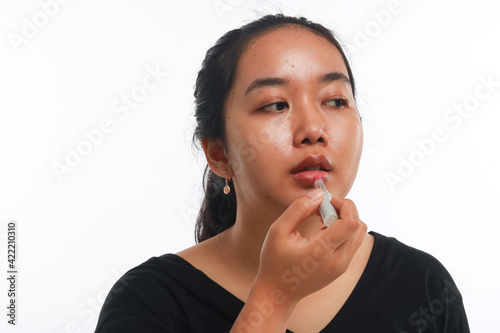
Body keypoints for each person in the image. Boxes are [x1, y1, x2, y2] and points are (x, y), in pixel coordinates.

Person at [94, 14, 470, 332]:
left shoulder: (422, 285)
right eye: (275, 105)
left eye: (336, 101)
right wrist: (275, 297)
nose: (313, 129)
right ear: (219, 153)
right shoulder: (148, 301)